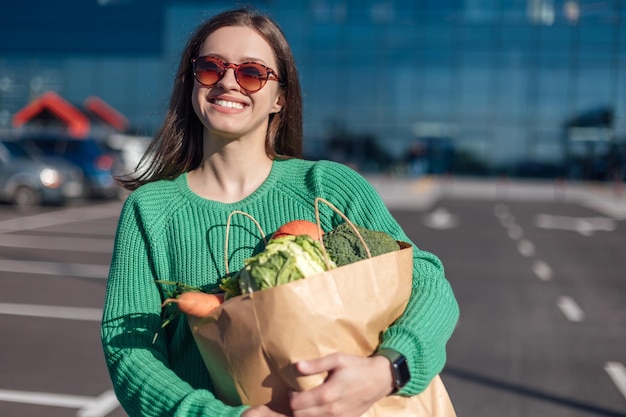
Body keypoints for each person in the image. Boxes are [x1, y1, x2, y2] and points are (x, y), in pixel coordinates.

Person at [101, 7, 459, 417]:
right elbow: (127, 352)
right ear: (191, 81)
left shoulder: (327, 187)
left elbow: (428, 282)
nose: (229, 82)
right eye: (211, 68)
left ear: (280, 98)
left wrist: (387, 369)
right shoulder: (149, 211)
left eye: (251, 72)